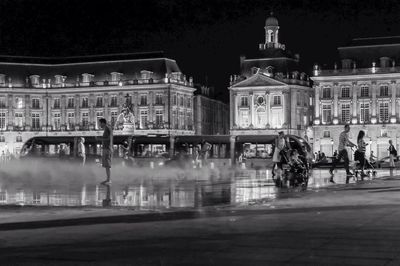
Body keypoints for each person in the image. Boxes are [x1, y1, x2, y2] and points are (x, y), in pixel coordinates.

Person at [98, 118, 113, 185]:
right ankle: (108, 179)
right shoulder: (106, 129)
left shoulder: (107, 128)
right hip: (106, 148)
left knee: (107, 165)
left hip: (107, 149)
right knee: (106, 165)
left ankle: (109, 180)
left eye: (100, 123)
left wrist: (100, 138)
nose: (99, 125)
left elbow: (108, 138)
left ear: (103, 123)